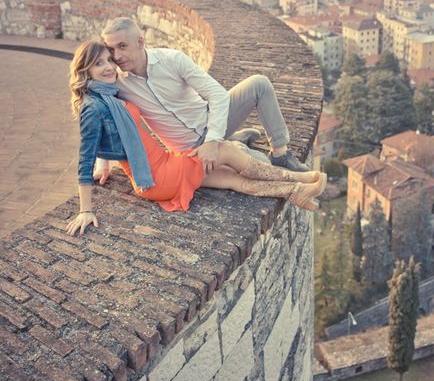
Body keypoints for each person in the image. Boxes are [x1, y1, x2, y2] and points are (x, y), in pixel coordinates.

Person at [65, 41, 326, 236]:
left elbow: (107, 136)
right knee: (224, 153)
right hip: (157, 175)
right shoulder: (95, 106)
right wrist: (85, 209)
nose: (110, 66)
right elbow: (85, 157)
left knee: (232, 180)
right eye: (99, 63)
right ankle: (298, 177)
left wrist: (105, 162)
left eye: (109, 60)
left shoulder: (109, 95)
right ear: (85, 71)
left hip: (164, 165)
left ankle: (295, 192)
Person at [93, 17, 309, 187]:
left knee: (259, 83)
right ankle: (234, 143)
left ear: (140, 42)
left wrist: (213, 139)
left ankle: (280, 153)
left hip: (209, 122)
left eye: (122, 46)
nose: (117, 56)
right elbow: (104, 118)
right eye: (111, 49)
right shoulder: (118, 84)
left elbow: (218, 94)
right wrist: (103, 163)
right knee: (262, 170)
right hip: (189, 148)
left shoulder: (172, 59)